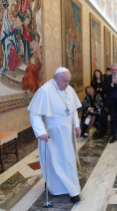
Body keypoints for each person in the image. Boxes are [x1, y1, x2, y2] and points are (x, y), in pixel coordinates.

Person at [28, 67, 82, 203]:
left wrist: (76, 125)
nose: (67, 85)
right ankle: (69, 190)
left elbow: (73, 110)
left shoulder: (68, 89)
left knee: (68, 161)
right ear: (56, 78)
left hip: (68, 133)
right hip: (53, 133)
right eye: (64, 81)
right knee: (55, 161)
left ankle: (71, 188)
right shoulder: (45, 90)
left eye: (68, 81)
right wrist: (41, 132)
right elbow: (34, 114)